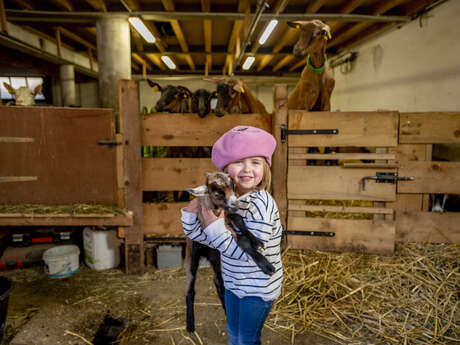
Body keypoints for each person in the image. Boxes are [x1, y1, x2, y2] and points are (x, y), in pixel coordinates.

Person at [181, 125, 284, 345]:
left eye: (255, 162)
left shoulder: (262, 205)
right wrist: (192, 215)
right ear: (225, 170)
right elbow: (207, 238)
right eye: (238, 162)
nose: (247, 169)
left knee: (246, 339)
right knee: (234, 334)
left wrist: (214, 223)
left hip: (258, 288)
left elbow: (246, 253)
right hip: (233, 283)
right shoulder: (228, 199)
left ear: (265, 168)